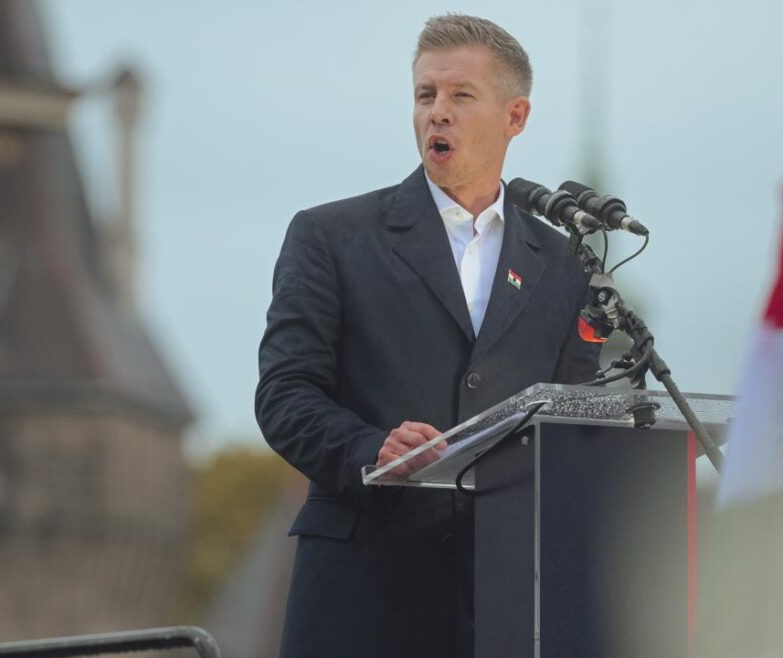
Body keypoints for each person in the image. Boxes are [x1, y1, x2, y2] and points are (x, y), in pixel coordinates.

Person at [255, 14, 601, 658]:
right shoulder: (330, 237)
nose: (437, 111)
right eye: (425, 95)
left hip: (506, 605)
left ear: (515, 116)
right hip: (361, 600)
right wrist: (371, 448)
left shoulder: (565, 266)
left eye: (461, 95)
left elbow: (573, 424)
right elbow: (284, 395)